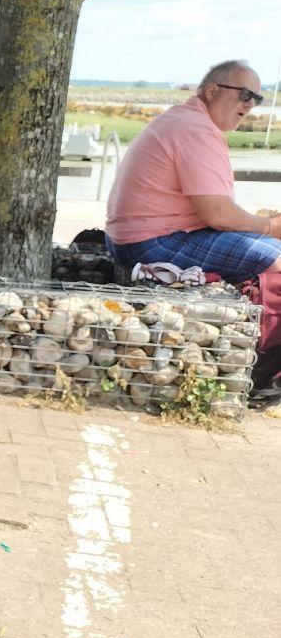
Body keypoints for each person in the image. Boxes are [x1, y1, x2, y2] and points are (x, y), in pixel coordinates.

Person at [104, 60, 281, 392]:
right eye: (245, 94)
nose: (250, 105)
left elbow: (215, 211)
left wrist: (261, 224)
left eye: (257, 98)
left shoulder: (185, 120)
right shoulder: (195, 130)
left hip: (138, 236)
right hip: (151, 242)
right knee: (276, 257)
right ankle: (265, 371)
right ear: (212, 91)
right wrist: (269, 226)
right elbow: (217, 214)